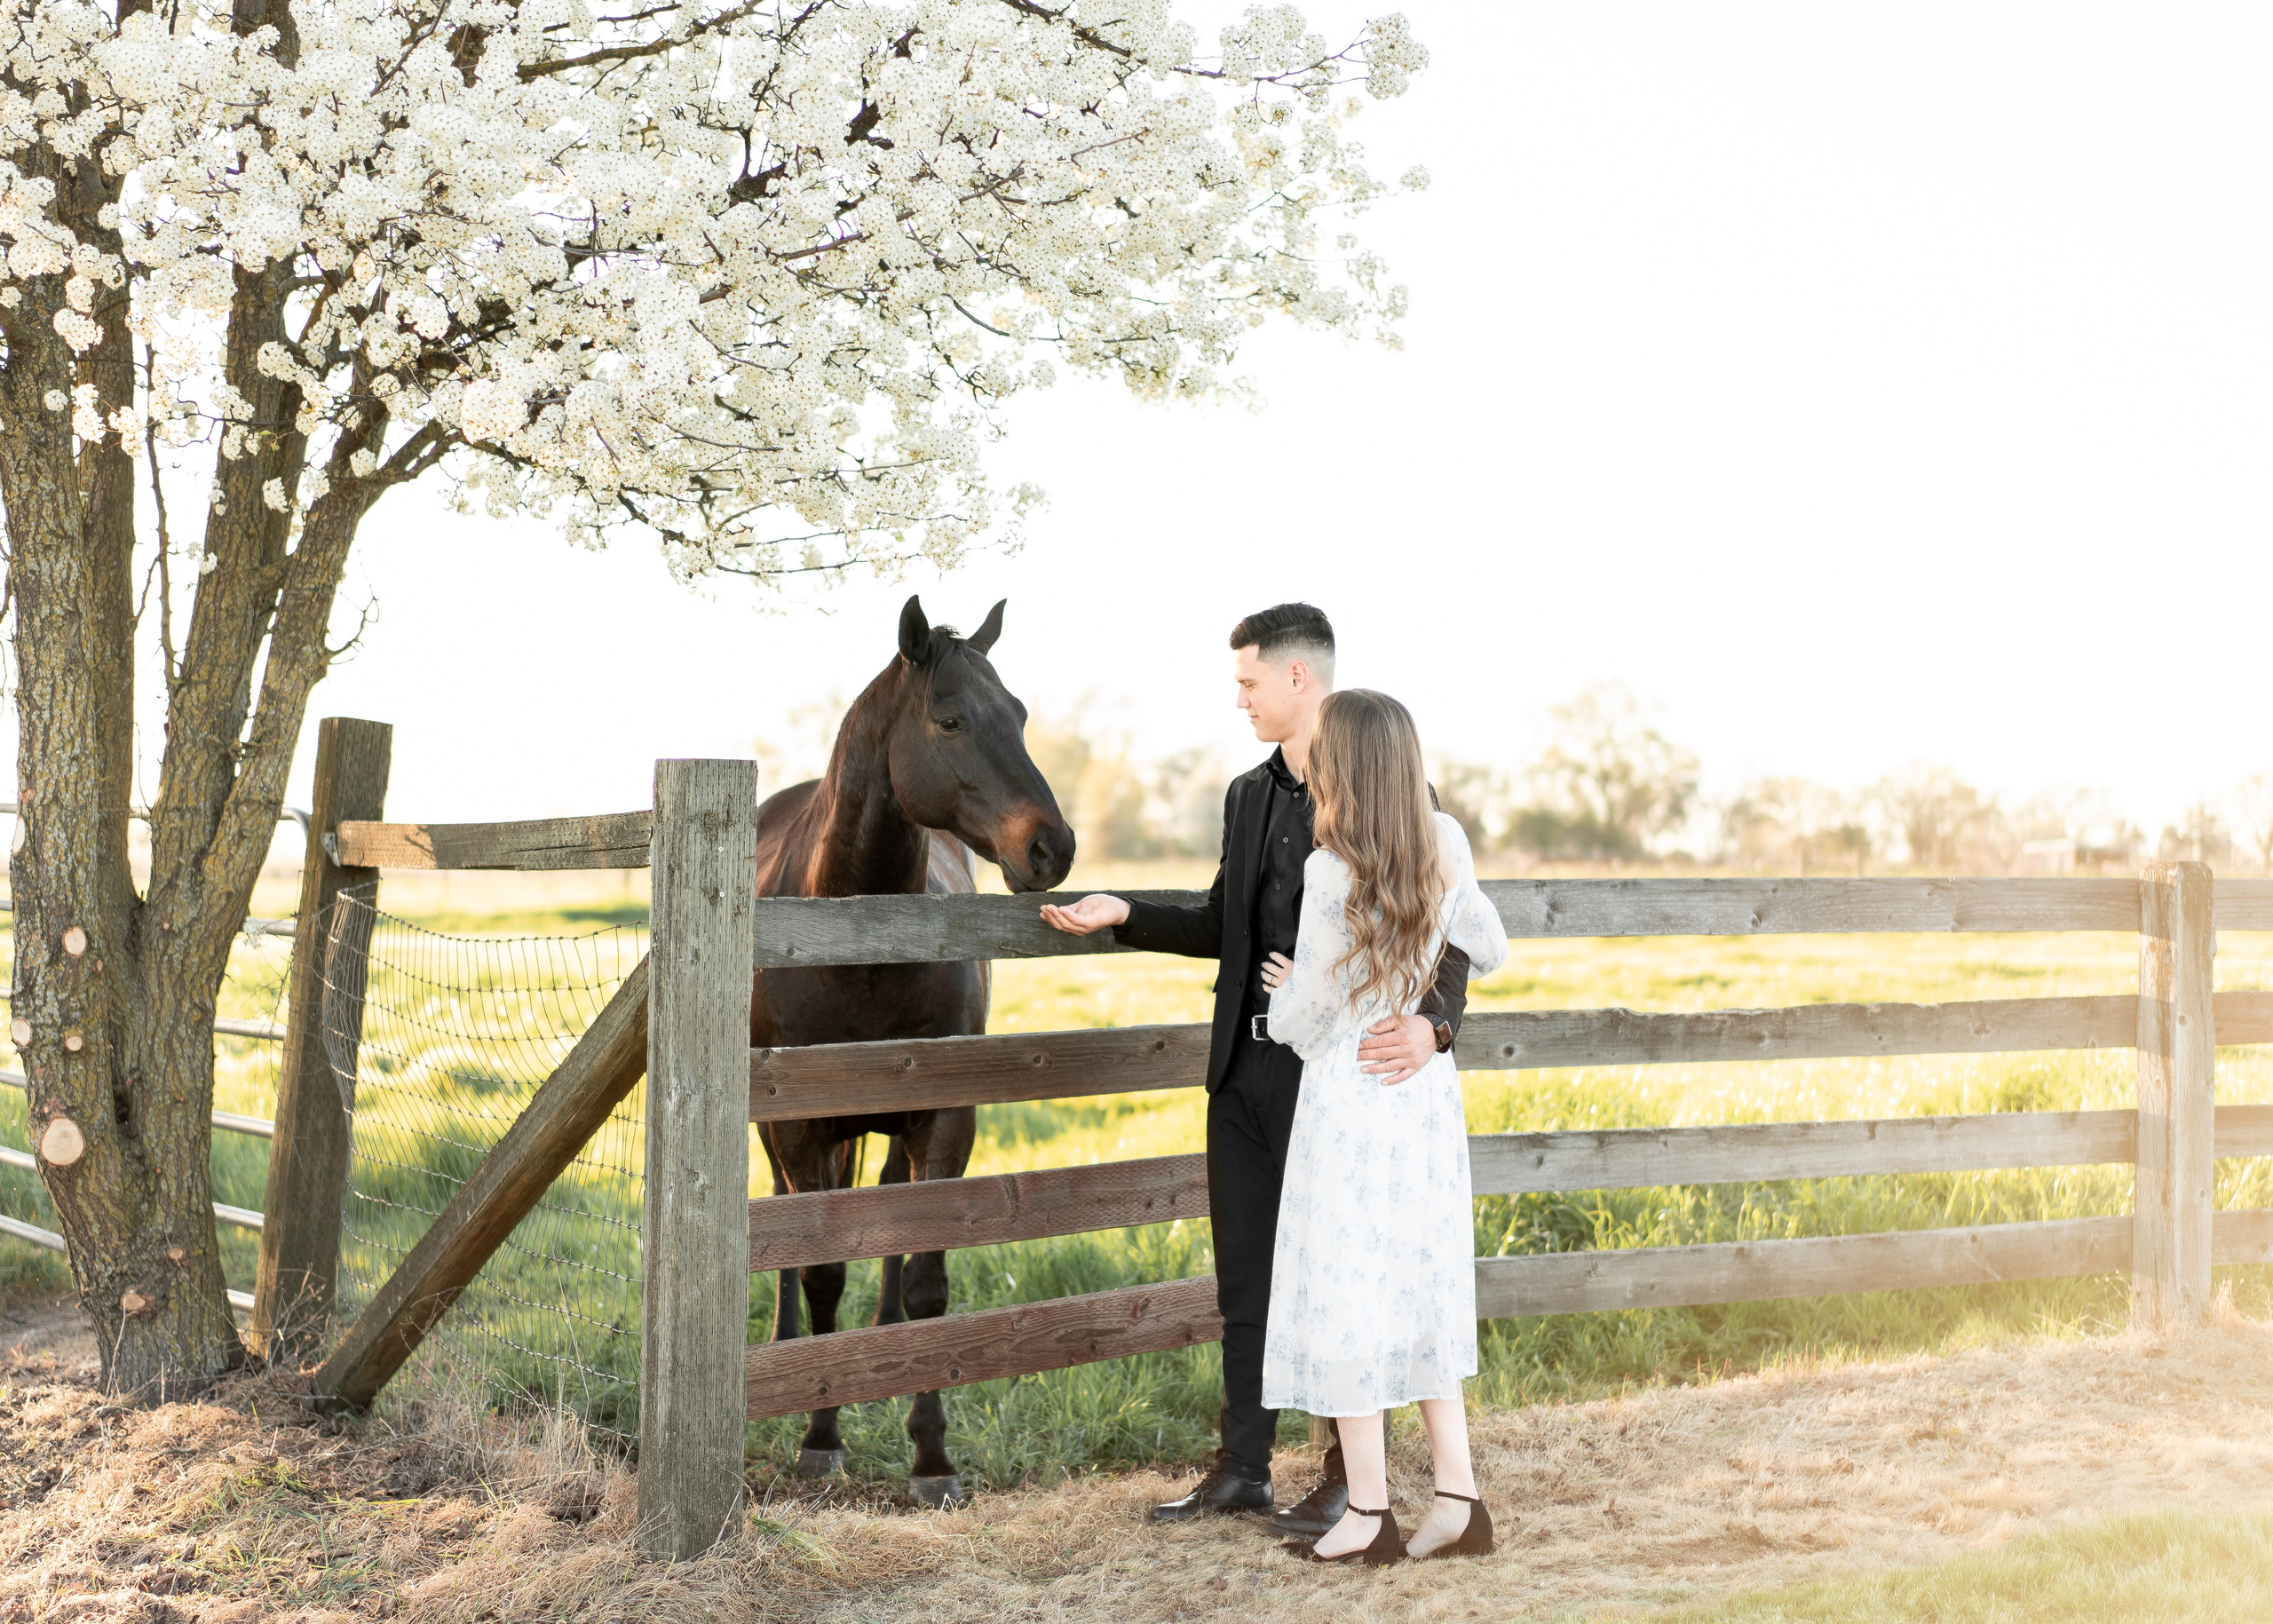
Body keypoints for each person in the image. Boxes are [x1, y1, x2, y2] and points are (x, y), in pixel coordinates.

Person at [1040, 604, 1472, 1533]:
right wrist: (1124, 912)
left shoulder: (1391, 790)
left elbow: (1454, 935)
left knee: (1338, 1275)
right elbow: (1218, 923)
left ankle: (1344, 1482)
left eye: (1247, 682)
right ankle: (1243, 1467)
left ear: (1297, 679)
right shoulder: (1244, 795)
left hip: (1341, 1076)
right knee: (1247, 1275)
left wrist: (1436, 1027)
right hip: (1241, 1069)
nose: (1237, 698)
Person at [1256, 687, 1508, 1565]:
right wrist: (1423, 1007)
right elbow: (1491, 941)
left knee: (1346, 1291)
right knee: (1418, 1284)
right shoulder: (1446, 845)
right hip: (1422, 1101)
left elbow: (1312, 1014)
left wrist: (1279, 996)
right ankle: (1457, 1497)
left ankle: (1367, 1511)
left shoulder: (1333, 868)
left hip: (1354, 1094)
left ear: (1346, 764)